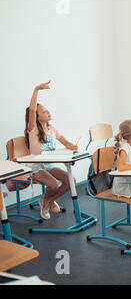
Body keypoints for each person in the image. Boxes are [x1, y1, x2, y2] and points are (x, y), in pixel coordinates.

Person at [25, 80, 77, 220]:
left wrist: (73, 146)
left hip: (49, 166)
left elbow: (65, 142)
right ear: (36, 117)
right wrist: (36, 90)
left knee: (71, 180)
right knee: (53, 184)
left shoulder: (53, 129)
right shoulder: (33, 129)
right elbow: (32, 110)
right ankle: (48, 201)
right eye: (44, 111)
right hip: (35, 168)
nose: (48, 112)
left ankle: (46, 200)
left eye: (47, 110)